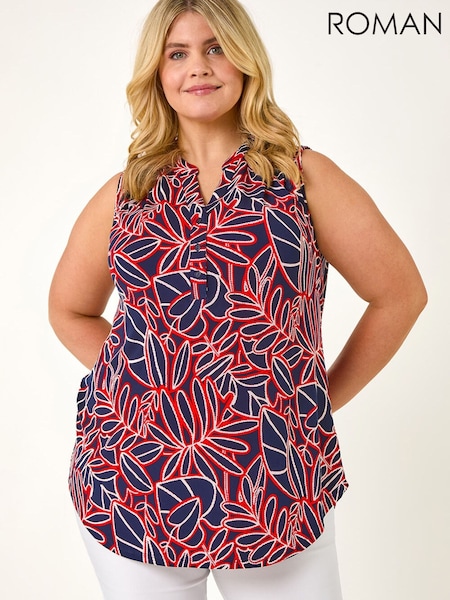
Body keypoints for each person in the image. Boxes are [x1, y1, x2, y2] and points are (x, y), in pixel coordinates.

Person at [48, 0, 427, 598]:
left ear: (246, 60)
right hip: (130, 483)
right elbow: (68, 310)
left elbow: (400, 295)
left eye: (216, 47)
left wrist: (313, 399)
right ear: (157, 73)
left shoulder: (302, 178)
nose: (198, 66)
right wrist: (145, 386)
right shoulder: (127, 193)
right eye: (177, 53)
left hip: (274, 486)